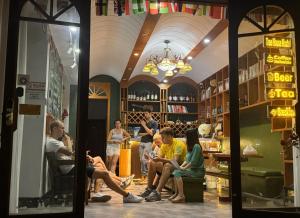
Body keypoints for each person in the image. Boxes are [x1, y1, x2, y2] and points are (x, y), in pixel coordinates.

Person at [47, 120, 142, 203]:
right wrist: (68, 141)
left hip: (72, 167)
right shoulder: (53, 142)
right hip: (71, 169)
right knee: (104, 173)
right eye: (62, 128)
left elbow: (70, 154)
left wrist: (84, 156)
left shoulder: (55, 141)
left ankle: (102, 192)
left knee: (101, 168)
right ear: (55, 128)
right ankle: (126, 195)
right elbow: (69, 153)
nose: (63, 131)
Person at [140, 127, 187, 202]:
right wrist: (150, 157)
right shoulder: (165, 145)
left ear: (169, 136)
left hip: (180, 167)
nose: (161, 139)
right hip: (169, 167)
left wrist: (159, 159)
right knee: (152, 163)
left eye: (163, 137)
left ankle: (157, 192)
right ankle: (149, 189)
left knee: (167, 165)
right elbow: (159, 158)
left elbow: (175, 162)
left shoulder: (179, 144)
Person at [170, 129, 205, 203]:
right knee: (175, 171)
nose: (185, 138)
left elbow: (193, 162)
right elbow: (186, 160)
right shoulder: (190, 147)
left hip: (197, 171)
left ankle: (181, 195)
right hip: (192, 170)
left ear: (190, 137)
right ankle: (177, 193)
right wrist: (180, 167)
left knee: (177, 173)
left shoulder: (197, 146)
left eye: (186, 136)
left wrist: (183, 168)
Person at [138, 108, 158, 178]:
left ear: (150, 114)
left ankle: (147, 176)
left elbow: (151, 133)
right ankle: (143, 176)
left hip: (148, 143)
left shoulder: (154, 123)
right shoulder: (145, 122)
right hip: (142, 142)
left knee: (145, 159)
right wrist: (148, 132)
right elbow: (139, 134)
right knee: (141, 160)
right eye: (144, 113)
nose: (145, 115)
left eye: (146, 113)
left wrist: (144, 126)